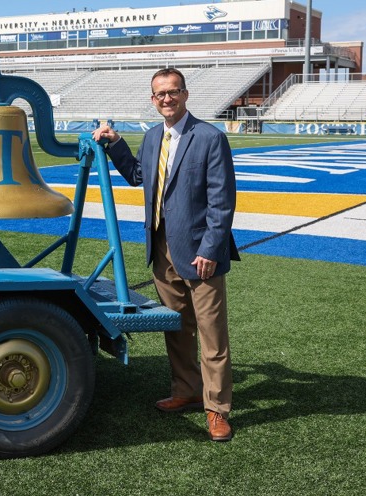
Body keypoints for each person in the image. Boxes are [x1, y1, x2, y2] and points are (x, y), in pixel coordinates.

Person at [92, 67, 239, 442]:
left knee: (211, 336)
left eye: (173, 92)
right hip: (161, 249)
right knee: (177, 328)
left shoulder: (209, 137)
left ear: (185, 94)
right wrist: (115, 143)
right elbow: (141, 176)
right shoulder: (154, 136)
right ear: (152, 99)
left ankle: (217, 409)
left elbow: (222, 202)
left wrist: (210, 248)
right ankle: (186, 390)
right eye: (160, 94)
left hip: (199, 252)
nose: (167, 99)